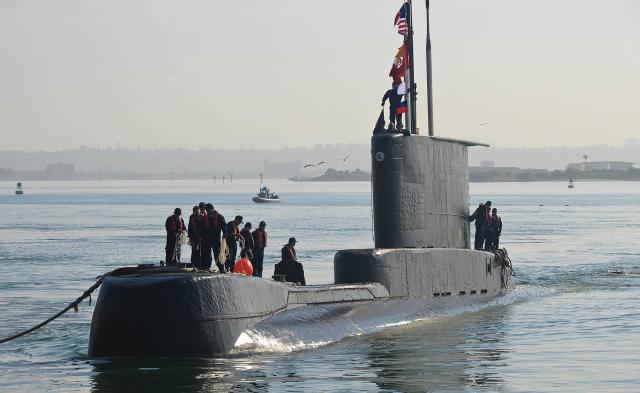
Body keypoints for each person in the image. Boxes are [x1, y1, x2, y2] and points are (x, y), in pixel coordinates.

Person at [203, 203, 227, 272]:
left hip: (216, 239)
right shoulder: (205, 218)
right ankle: (207, 267)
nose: (208, 211)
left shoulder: (219, 217)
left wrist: (225, 233)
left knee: (218, 253)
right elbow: (202, 228)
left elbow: (224, 225)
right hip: (207, 239)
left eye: (209, 209)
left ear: (212, 209)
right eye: (207, 210)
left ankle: (221, 268)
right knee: (207, 254)